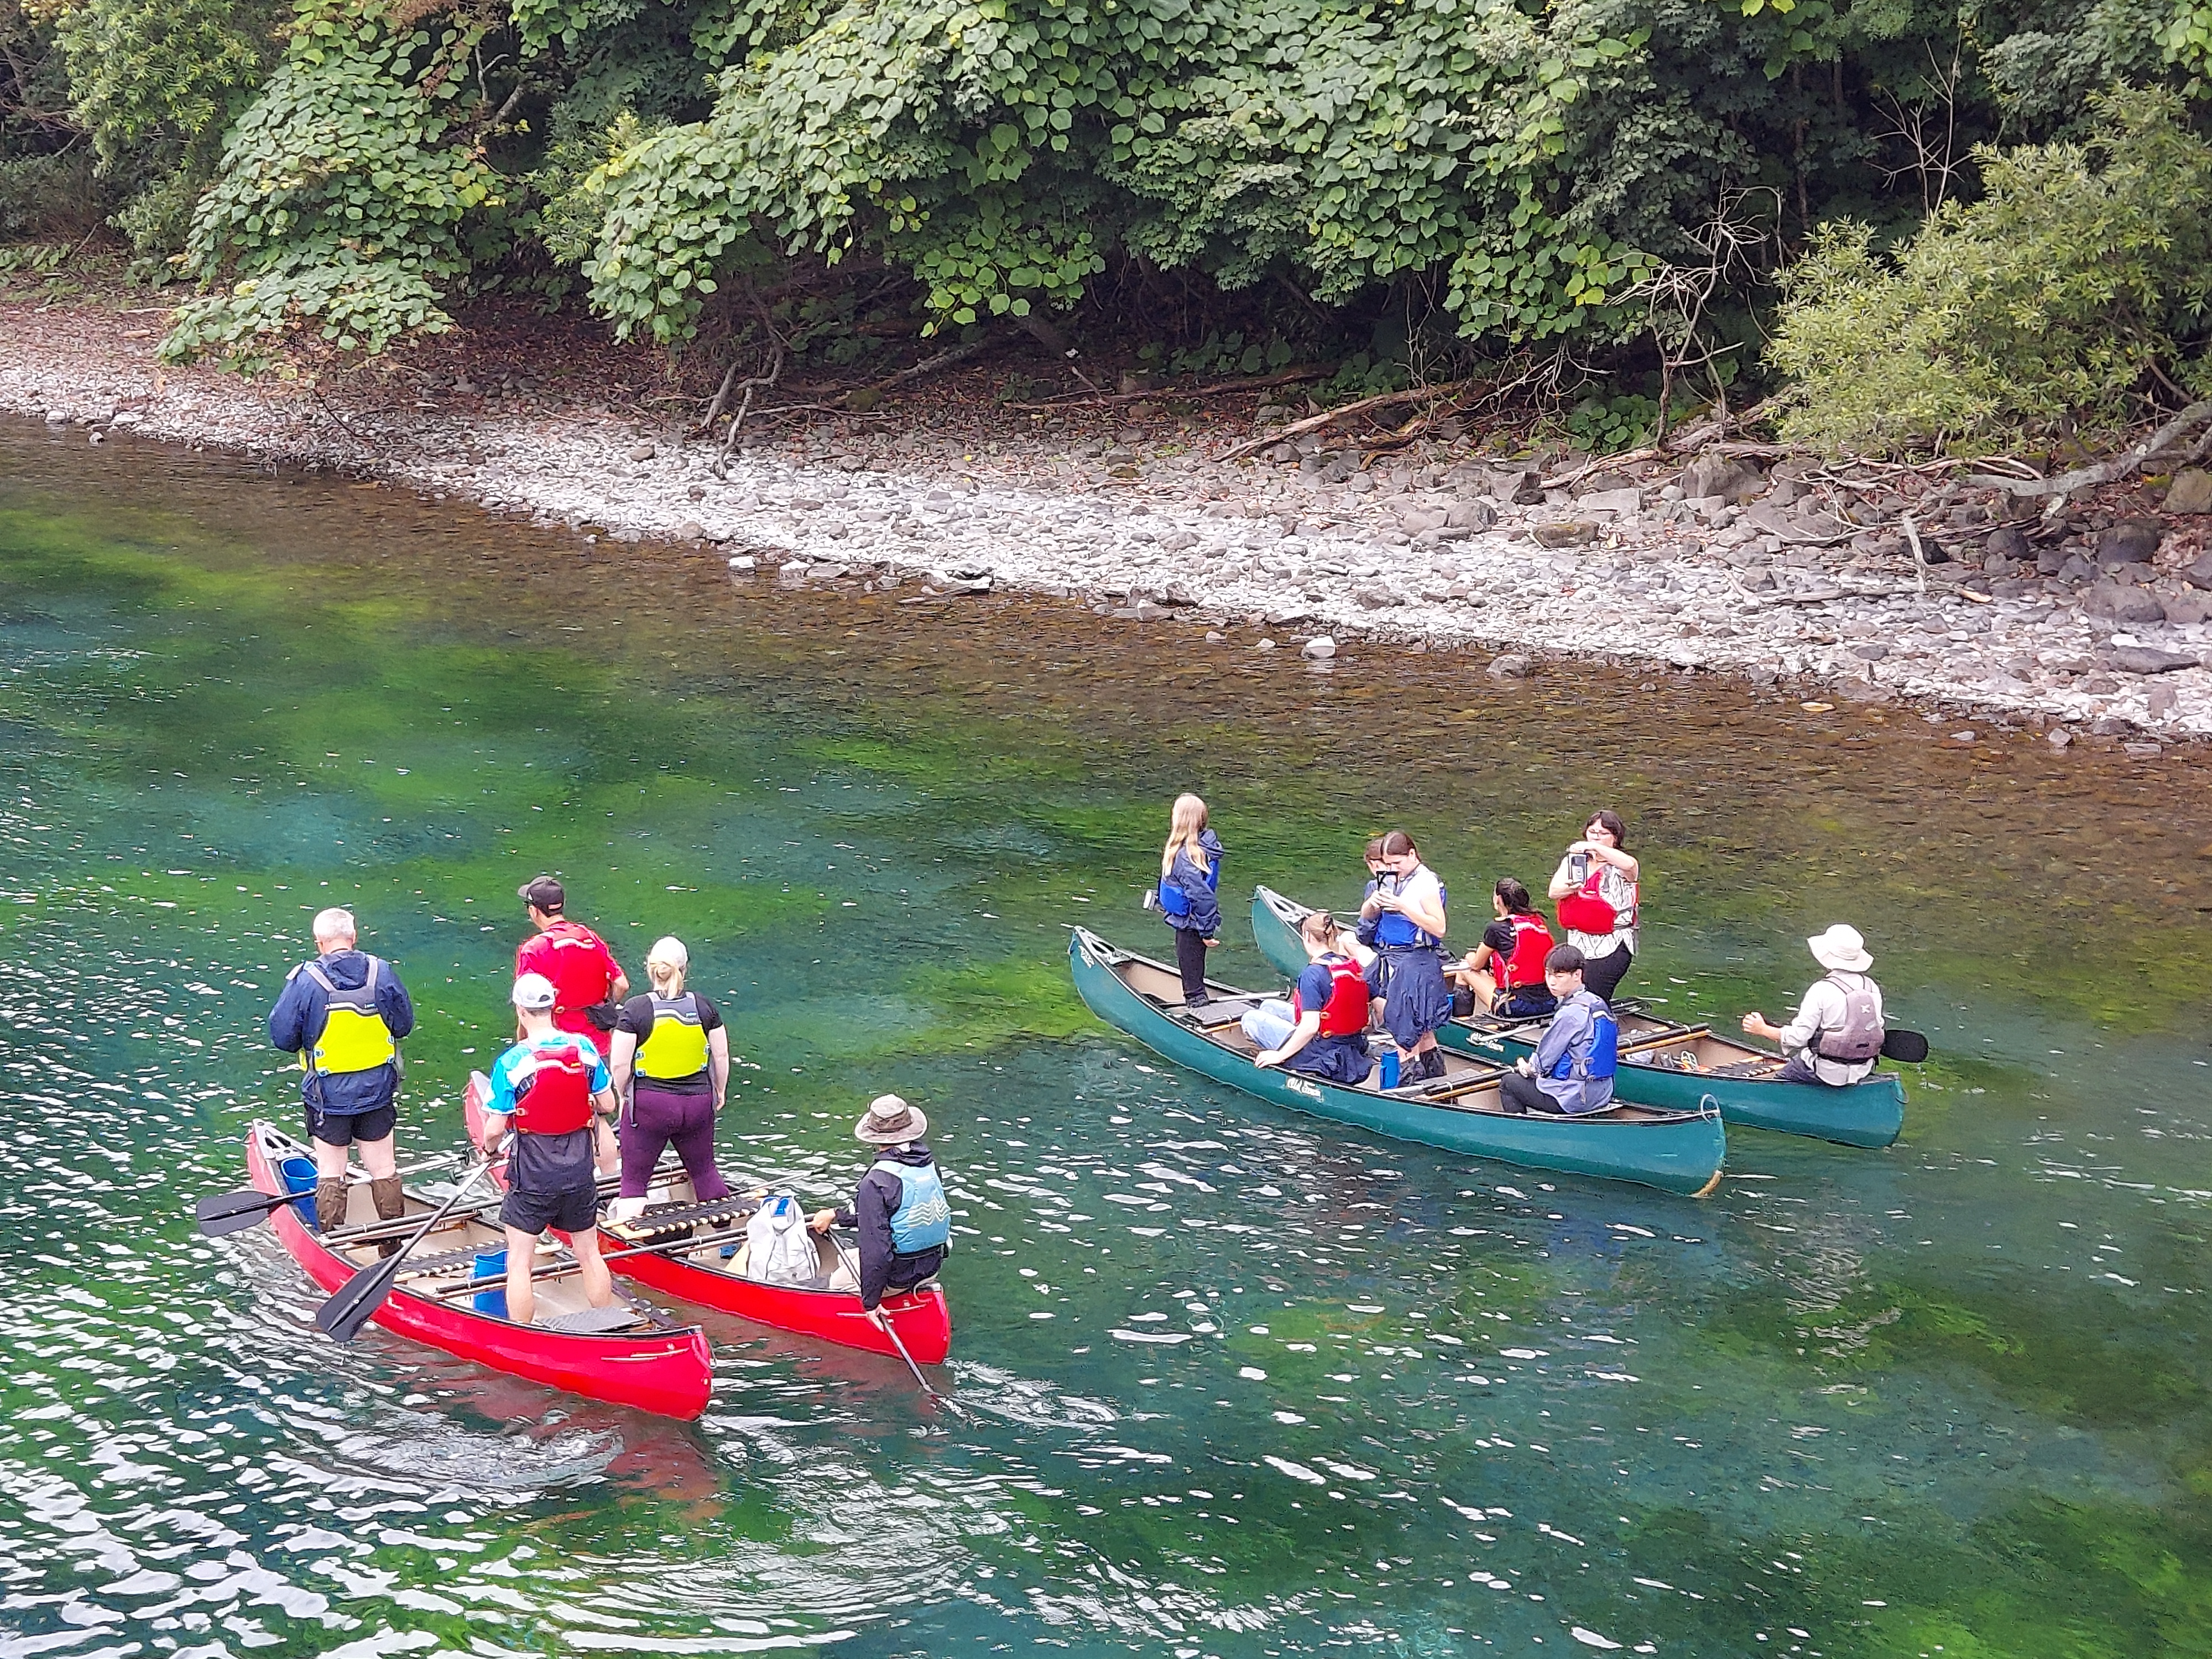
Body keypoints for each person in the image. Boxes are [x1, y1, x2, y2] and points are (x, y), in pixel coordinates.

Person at [474, 973, 620, 1327]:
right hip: (579, 1170)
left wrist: (488, 1150)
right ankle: (609, 1323)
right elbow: (608, 1104)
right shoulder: (584, 1050)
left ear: (521, 1012)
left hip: (533, 1175)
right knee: (589, 1254)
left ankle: (523, 1333)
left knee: (519, 1261)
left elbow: (494, 1129)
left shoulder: (512, 1062)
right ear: (553, 1007)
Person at [268, 907, 415, 1248]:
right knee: (383, 1168)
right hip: (378, 1090)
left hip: (327, 1097)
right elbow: (404, 1025)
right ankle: (392, 1245)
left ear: (319, 943)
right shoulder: (383, 973)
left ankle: (333, 1243)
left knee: (331, 1171)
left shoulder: (305, 981)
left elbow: (283, 1038)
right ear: (354, 937)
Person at [606, 936, 733, 1215]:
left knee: (634, 1183)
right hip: (699, 1103)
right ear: (685, 969)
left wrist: (623, 1093)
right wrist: (719, 1091)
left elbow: (619, 1065)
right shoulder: (705, 1007)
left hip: (650, 1106)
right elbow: (721, 1057)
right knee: (705, 1173)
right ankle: (726, 1238)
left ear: (650, 969)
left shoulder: (636, 1010)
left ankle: (631, 1240)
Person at [809, 1095, 951, 1318]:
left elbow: (877, 1250)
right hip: (930, 1267)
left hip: (897, 1277)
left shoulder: (875, 1181)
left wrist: (871, 1303)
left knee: (833, 1283)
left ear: (875, 1136)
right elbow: (893, 1211)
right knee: (848, 1256)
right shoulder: (928, 1165)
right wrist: (836, 1215)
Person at [1742, 925, 1886, 1087]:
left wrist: (1762, 1029)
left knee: (1781, 1078)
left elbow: (1799, 1038)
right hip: (1863, 1070)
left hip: (1824, 1071)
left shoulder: (1822, 989)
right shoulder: (1871, 987)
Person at [1358, 830, 1452, 1082]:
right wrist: (1373, 903)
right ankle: (1436, 1082)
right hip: (1392, 957)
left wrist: (1403, 907)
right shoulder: (1390, 878)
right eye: (1388, 864)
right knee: (1420, 1031)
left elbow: (1439, 928)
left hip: (1416, 960)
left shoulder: (1425, 883)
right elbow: (1366, 916)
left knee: (1407, 1030)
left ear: (1412, 855)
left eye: (1397, 863)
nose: (1393, 869)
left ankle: (1412, 1085)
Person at [1243, 908, 1374, 1085]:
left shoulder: (1313, 974)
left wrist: (1280, 1056)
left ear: (1308, 936)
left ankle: (1274, 1056)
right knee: (1268, 1006)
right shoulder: (1349, 964)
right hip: (1351, 1044)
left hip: (1321, 1051)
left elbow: (1311, 1027)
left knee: (1250, 1018)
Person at [1499, 946, 1620, 1115]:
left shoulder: (1569, 1014)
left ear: (1577, 975)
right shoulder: (1598, 1002)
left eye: (1559, 976)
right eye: (1549, 974)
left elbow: (1539, 1066)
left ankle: (1520, 1133)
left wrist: (1524, 1066)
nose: (1552, 981)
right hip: (1603, 1092)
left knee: (1508, 1083)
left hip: (1575, 1098)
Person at [515, 875, 630, 1045]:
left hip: (555, 1047)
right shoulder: (589, 937)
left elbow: (526, 1006)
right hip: (598, 1045)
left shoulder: (533, 950)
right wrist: (604, 1006)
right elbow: (622, 985)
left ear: (534, 911)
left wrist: (523, 1045)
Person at [1547, 810, 1639, 1001]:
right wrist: (1571, 888)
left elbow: (1630, 865)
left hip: (1612, 943)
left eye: (1603, 833)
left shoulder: (1621, 865)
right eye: (1592, 831)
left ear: (1615, 837)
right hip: (1578, 942)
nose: (1597, 836)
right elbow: (1554, 892)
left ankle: (1598, 1026)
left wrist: (1592, 847)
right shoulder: (1574, 862)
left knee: (1595, 995)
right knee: (1571, 995)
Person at [1152, 794, 1222, 1006]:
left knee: (1193, 984)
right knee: (1194, 970)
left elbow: (1201, 896)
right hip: (1193, 920)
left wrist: (1206, 932)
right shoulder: (1200, 847)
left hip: (1191, 924)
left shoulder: (1185, 857)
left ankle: (1197, 1009)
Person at [1453, 878, 1558, 1020]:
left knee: (1464, 970)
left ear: (1499, 900)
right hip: (1549, 1002)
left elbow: (1476, 965)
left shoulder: (1496, 928)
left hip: (1515, 1006)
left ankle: (1461, 1024)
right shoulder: (1538, 923)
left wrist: (1470, 956)